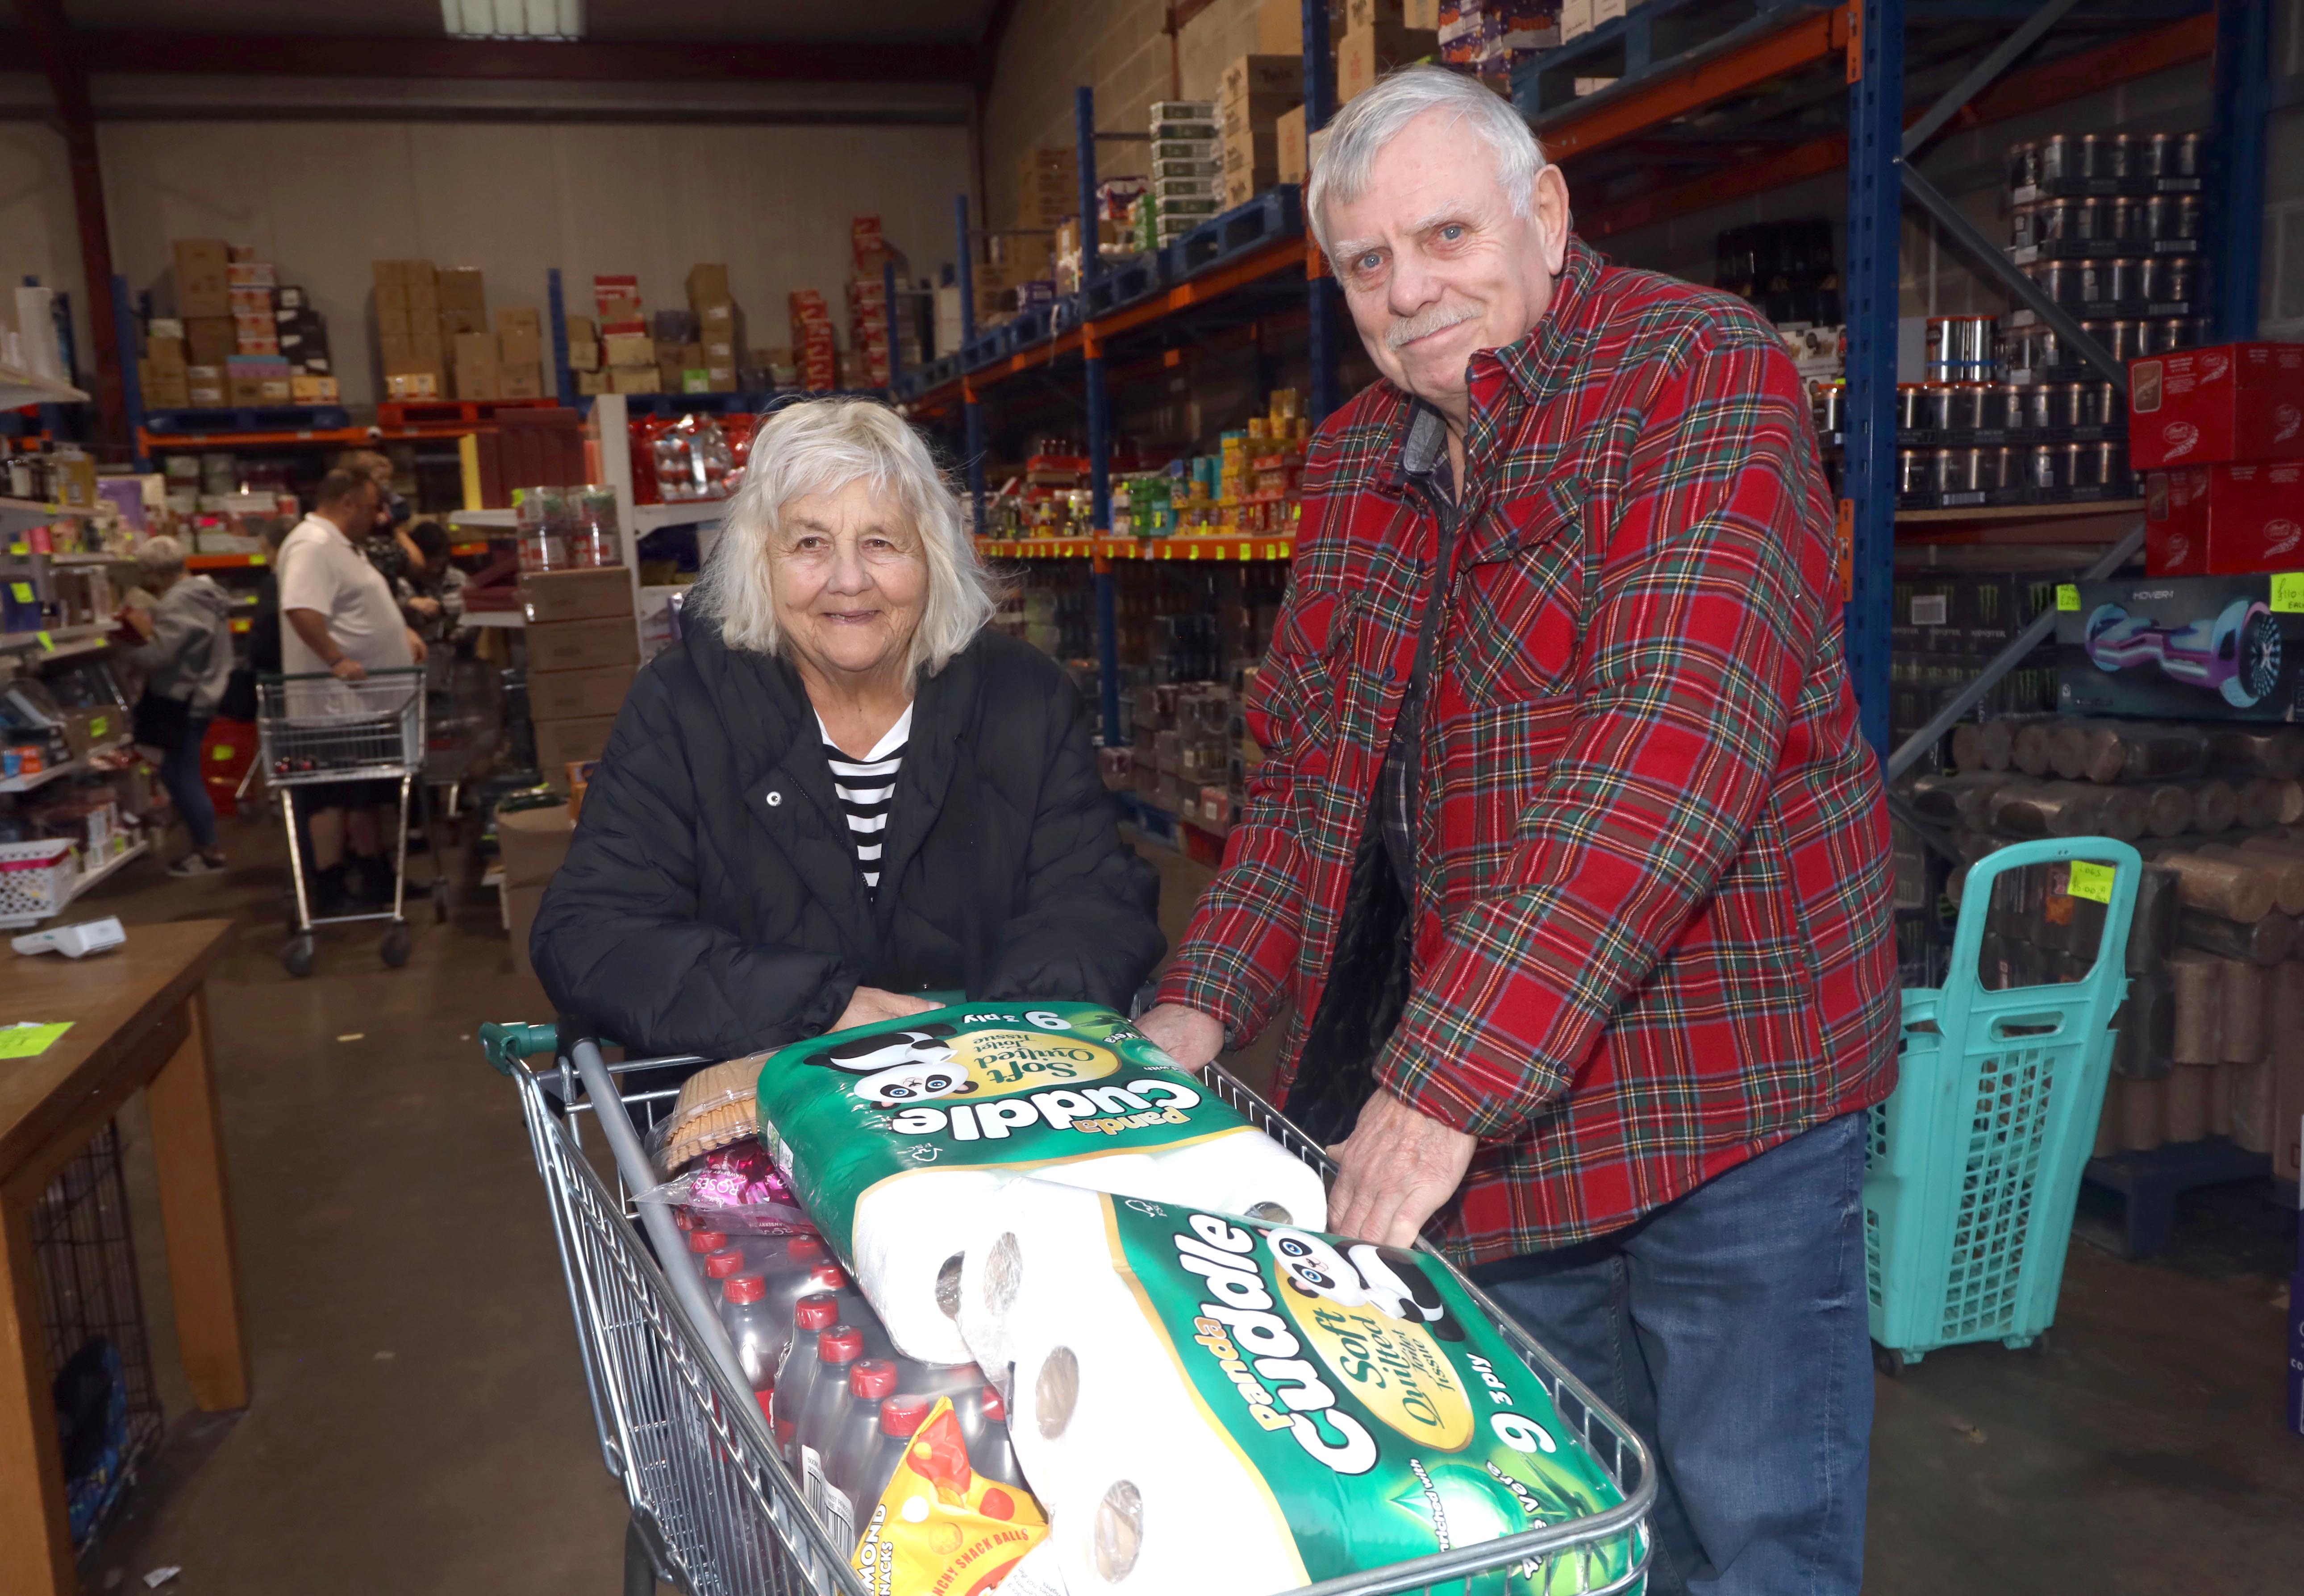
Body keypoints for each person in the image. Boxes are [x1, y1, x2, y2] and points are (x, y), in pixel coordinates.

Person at [1134, 66, 1898, 1596]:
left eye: (1444, 235)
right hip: (1513, 1133)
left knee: (1752, 1534)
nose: (1409, 290)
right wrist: (1183, 1016)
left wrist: (1436, 1083)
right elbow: (1307, 778)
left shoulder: (1697, 373)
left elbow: (1672, 741)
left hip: (1724, 1090)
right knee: (1556, 1524)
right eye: (1367, 263)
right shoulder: (1359, 465)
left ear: (1544, 214)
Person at [531, 398, 1164, 1060]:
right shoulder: (682, 704)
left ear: (933, 558)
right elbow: (592, 933)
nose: (849, 580)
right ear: (759, 562)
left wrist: (991, 1047)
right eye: (809, 543)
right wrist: (814, 1005)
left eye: (881, 542)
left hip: (988, 1105)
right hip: (758, 1111)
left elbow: (1094, 902)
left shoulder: (1023, 697)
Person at [278, 468, 429, 910]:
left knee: (364, 792)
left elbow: (361, 605)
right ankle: (329, 885)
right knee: (331, 796)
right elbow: (301, 608)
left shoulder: (343, 547)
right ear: (346, 503)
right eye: (370, 507)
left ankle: (378, 874)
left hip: (364, 705)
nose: (378, 517)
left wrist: (402, 633)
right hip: (333, 704)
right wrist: (336, 660)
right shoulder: (313, 544)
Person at [121, 536, 235, 877]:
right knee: (182, 771)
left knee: (180, 774)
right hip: (200, 693)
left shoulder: (182, 601)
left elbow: (160, 655)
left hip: (185, 698)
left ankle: (209, 850)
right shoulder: (204, 595)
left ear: (155, 573)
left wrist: (120, 648)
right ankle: (205, 847)